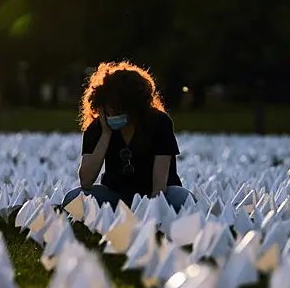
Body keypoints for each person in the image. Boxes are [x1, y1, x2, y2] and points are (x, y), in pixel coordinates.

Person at [63, 61, 195, 212]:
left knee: (182, 198)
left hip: (157, 196)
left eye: (120, 109)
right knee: (73, 199)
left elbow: (160, 183)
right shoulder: (97, 128)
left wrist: (149, 212)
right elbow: (86, 181)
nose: (114, 114)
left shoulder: (159, 122)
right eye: (110, 108)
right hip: (116, 196)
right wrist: (106, 135)